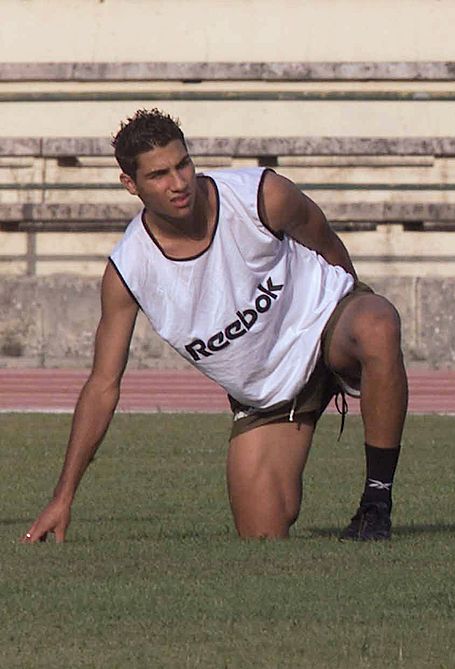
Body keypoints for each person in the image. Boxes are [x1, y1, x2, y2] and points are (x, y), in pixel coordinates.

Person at [21, 108, 407, 542]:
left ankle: (376, 504)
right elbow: (102, 385)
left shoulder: (261, 194)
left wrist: (355, 323)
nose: (178, 182)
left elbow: (330, 250)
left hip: (325, 324)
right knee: (261, 538)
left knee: (377, 325)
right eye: (159, 175)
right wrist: (63, 496)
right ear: (130, 184)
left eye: (182, 164)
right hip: (268, 394)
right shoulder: (129, 272)